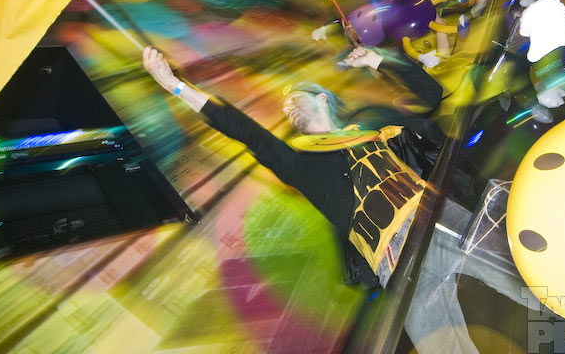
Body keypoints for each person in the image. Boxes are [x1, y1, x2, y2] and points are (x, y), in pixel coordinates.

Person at [143, 44, 444, 288]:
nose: (290, 110)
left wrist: (375, 60)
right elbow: (242, 129)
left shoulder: (368, 123)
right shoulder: (300, 163)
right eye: (286, 111)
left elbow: (430, 95)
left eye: (296, 100)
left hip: (436, 213)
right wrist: (174, 86)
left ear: (322, 99)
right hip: (394, 258)